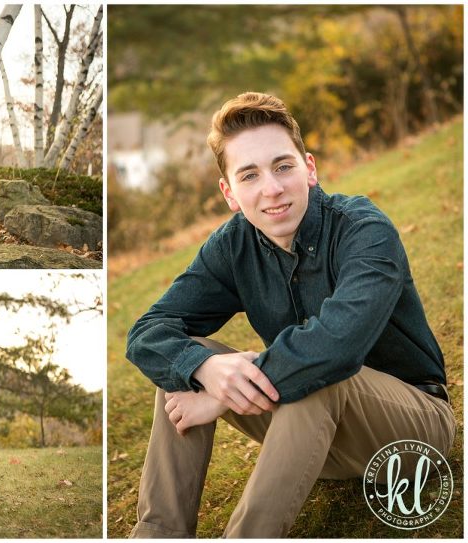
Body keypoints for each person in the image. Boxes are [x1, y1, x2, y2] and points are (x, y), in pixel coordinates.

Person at [125, 92, 455, 538]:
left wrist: (224, 394)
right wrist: (203, 368)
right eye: (250, 175)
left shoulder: (364, 229)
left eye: (283, 166)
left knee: (321, 373)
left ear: (310, 169)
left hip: (411, 432)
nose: (272, 189)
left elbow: (338, 347)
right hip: (314, 440)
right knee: (189, 358)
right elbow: (147, 332)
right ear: (230, 193)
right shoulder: (232, 246)